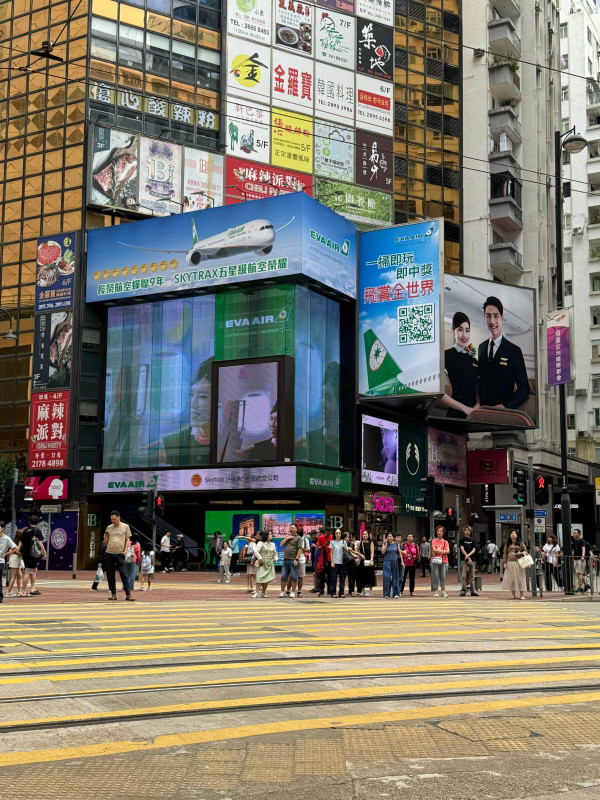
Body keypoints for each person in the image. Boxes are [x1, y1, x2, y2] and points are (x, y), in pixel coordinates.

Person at [477, 296, 529, 410]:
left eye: (495, 316)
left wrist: (505, 406)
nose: (492, 321)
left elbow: (524, 388)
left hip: (503, 414)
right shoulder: (481, 348)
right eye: (488, 316)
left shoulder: (514, 351)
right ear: (484, 318)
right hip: (482, 413)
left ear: (502, 318)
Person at [158, 359, 213, 466]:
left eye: (202, 396)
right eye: (191, 395)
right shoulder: (176, 443)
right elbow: (138, 456)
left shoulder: (233, 443)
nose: (193, 404)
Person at [439, 311, 480, 418]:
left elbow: (482, 389)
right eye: (460, 330)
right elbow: (439, 392)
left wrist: (477, 406)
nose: (464, 335)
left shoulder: (474, 361)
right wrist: (464, 408)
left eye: (467, 330)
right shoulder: (446, 355)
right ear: (453, 331)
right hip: (455, 415)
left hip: (473, 415)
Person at [104, 510, 135, 601]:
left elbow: (127, 540)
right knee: (110, 575)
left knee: (123, 573)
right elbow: (105, 542)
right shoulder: (109, 527)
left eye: (114, 519)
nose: (113, 521)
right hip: (109, 553)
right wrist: (105, 537)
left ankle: (128, 594)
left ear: (118, 517)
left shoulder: (125, 527)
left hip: (120, 554)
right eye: (111, 519)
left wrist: (125, 551)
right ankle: (113, 594)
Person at [20, 514, 46, 597]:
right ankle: (22, 591)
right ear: (37, 522)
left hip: (25, 553)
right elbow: (40, 543)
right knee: (28, 571)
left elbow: (21, 543)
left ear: (29, 522)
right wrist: (44, 552)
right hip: (33, 554)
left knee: (33, 569)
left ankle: (33, 588)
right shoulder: (37, 530)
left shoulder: (25, 531)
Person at [279, 523, 303, 599]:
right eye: (290, 528)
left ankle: (293, 592)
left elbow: (300, 549)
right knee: (283, 576)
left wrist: (296, 559)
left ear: (296, 529)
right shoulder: (288, 538)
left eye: (293, 528)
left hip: (293, 560)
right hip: (286, 560)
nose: (291, 529)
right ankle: (282, 591)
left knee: (294, 577)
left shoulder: (299, 538)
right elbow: (281, 544)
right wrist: (287, 538)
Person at [502, 530, 527, 600]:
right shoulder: (507, 544)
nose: (513, 534)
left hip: (519, 562)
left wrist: (520, 553)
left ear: (517, 535)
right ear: (510, 535)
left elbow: (525, 551)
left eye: (514, 533)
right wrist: (505, 563)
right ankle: (513, 594)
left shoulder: (520, 543)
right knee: (512, 579)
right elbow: (505, 554)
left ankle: (522, 595)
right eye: (511, 533)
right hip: (510, 562)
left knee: (520, 578)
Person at [253, 530, 277, 598]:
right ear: (266, 536)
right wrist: (260, 559)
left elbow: (275, 553)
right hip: (262, 563)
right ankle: (257, 592)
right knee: (259, 577)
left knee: (266, 579)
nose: (271, 535)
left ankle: (263, 592)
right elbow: (256, 551)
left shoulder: (273, 544)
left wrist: (275, 559)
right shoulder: (260, 543)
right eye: (269, 534)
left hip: (269, 563)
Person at [0, 521, 18, 603]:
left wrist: (7, 553)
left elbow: (15, 548)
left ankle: (0, 597)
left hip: (0, 561)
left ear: (2, 528)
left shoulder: (6, 538)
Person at [329, 528, 350, 598]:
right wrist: (332, 562)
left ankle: (341, 592)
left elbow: (347, 551)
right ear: (334, 534)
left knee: (342, 578)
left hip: (342, 562)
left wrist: (344, 548)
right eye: (336, 533)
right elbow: (331, 553)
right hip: (335, 562)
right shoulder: (332, 542)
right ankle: (333, 592)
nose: (338, 534)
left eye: (339, 533)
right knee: (333, 578)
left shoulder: (344, 542)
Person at [459, 525, 479, 597]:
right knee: (464, 575)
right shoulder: (461, 540)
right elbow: (462, 549)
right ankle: (463, 590)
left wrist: (468, 556)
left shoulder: (473, 540)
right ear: (464, 531)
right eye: (466, 530)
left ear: (470, 532)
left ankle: (473, 591)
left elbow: (474, 549)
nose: (467, 531)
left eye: (468, 530)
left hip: (472, 559)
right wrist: (467, 557)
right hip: (464, 559)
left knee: (472, 576)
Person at [431, 525, 450, 598]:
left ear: (443, 532)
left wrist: (439, 552)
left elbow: (448, 551)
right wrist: (443, 551)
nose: (439, 532)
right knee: (435, 575)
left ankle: (443, 591)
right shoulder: (434, 541)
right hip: (435, 561)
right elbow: (434, 550)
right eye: (438, 531)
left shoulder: (445, 542)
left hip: (444, 561)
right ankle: (436, 591)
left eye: (440, 531)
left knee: (443, 576)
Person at [356, 530, 376, 596]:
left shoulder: (371, 543)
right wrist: (360, 554)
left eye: (366, 534)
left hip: (368, 560)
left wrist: (371, 560)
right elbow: (356, 551)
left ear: (368, 535)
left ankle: (370, 591)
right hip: (362, 561)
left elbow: (372, 552)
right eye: (363, 534)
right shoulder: (360, 543)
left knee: (370, 575)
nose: (364, 536)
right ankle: (363, 590)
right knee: (362, 576)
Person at [382, 533, 401, 598]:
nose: (389, 537)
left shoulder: (396, 544)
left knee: (395, 577)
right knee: (386, 577)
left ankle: (396, 593)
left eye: (391, 536)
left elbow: (399, 553)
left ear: (393, 537)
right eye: (388, 536)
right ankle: (386, 594)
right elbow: (383, 552)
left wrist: (402, 562)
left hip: (394, 561)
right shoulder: (384, 544)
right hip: (387, 561)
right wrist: (386, 544)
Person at [6, 528, 24, 597]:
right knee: (13, 576)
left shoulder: (14, 541)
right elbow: (17, 551)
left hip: (13, 558)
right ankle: (9, 592)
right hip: (16, 559)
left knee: (19, 575)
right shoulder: (20, 542)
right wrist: (22, 555)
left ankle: (19, 591)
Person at [315, 528, 332, 596]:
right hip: (323, 559)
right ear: (325, 532)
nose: (328, 535)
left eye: (329, 533)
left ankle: (329, 590)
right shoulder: (321, 537)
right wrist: (324, 545)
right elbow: (318, 547)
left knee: (330, 576)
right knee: (322, 576)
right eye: (326, 533)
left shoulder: (332, 537)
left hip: (330, 558)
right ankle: (321, 591)